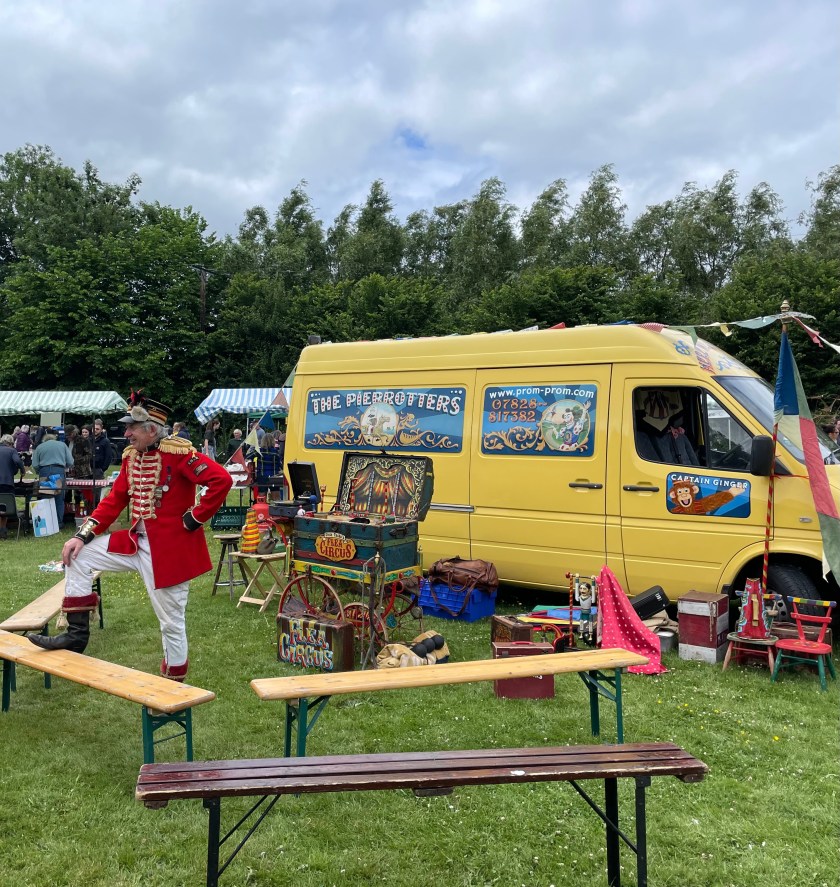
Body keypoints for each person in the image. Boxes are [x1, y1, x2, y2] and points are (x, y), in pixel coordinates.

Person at [28, 392, 233, 681]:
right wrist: (81, 536)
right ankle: (76, 636)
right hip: (135, 543)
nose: (126, 434)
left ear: (151, 430)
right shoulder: (131, 457)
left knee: (171, 623)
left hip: (169, 552)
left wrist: (195, 517)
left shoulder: (179, 454)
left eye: (132, 428)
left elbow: (221, 480)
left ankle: (174, 682)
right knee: (78, 555)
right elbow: (114, 500)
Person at [31, 431, 74, 526]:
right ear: (55, 438)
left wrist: (39, 471)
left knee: (46, 496)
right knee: (59, 497)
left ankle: (47, 522)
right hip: (59, 471)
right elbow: (70, 461)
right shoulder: (62, 445)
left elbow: (35, 464)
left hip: (44, 471)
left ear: (44, 440)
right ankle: (59, 523)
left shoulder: (40, 447)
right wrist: (64, 467)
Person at [0, 434, 25, 540]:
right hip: (7, 484)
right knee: (5, 509)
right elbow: (18, 461)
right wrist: (22, 471)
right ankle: (2, 531)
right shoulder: (11, 450)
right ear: (10, 443)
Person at [71, 425, 95, 512]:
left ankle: (87, 511)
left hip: (84, 471)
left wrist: (78, 460)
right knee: (76, 494)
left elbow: (89, 455)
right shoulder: (67, 441)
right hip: (72, 471)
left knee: (85, 493)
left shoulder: (83, 441)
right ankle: (77, 511)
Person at [92, 418, 114, 506]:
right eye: (94, 428)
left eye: (97, 429)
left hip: (98, 470)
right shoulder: (88, 440)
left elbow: (108, 457)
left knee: (97, 492)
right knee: (86, 493)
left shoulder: (105, 441)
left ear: (101, 429)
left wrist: (102, 469)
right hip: (87, 470)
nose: (95, 430)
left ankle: (96, 509)